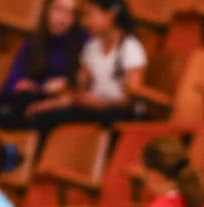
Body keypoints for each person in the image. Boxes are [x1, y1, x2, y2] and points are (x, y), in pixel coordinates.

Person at [25, 0, 147, 129]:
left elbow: (132, 99)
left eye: (90, 15)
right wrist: (52, 103)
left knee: (56, 118)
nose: (85, 22)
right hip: (93, 109)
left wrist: (103, 104)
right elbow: (80, 88)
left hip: (118, 112)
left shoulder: (131, 48)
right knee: (42, 114)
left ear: (110, 16)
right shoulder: (91, 47)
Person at [0, 0, 88, 128]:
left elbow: (84, 85)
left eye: (71, 13)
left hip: (61, 106)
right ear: (48, 10)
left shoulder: (85, 44)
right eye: (59, 10)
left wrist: (68, 84)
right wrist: (22, 85)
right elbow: (9, 86)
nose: (63, 18)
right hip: (32, 101)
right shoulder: (31, 44)